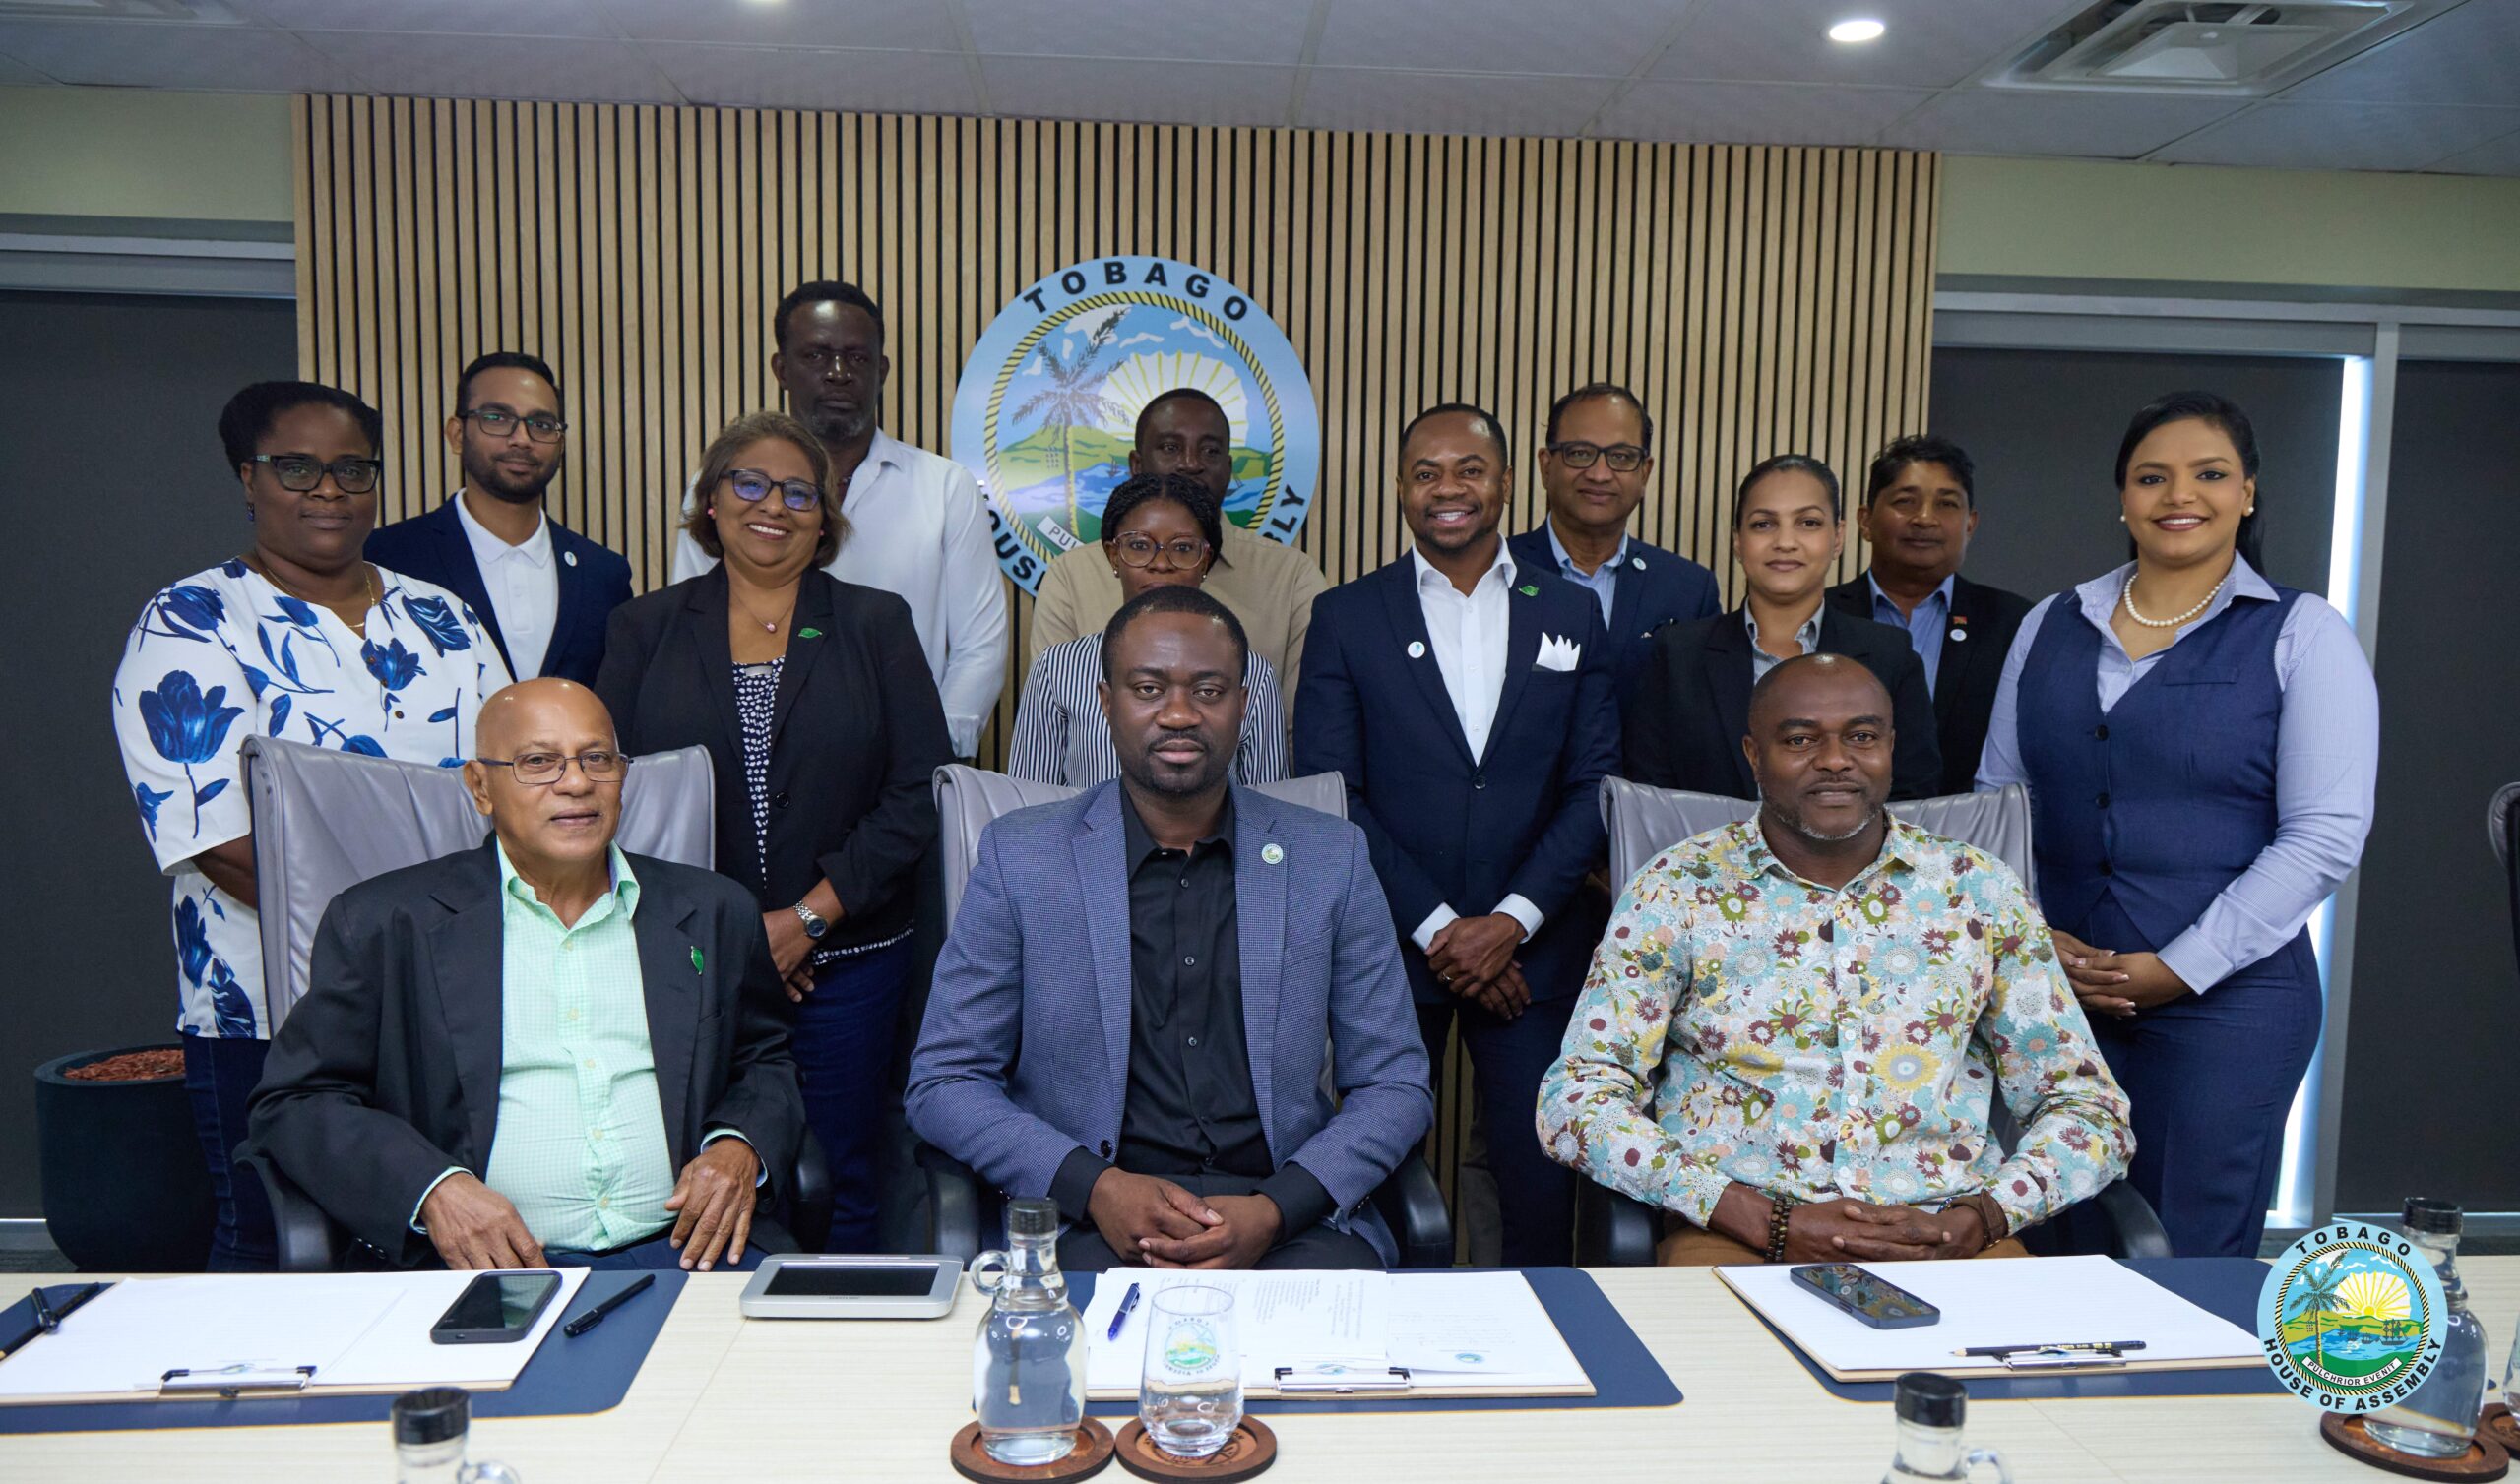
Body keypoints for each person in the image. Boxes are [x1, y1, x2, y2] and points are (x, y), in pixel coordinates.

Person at [1541, 653, 2135, 1265]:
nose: (1834, 759)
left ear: (1891, 747)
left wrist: (1982, 1216)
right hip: (1738, 1236)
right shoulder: (1676, 890)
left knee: (2030, 1356)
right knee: (1719, 1353)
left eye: (1862, 737)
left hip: (1946, 1238)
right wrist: (1756, 1216)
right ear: (1753, 755)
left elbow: (2089, 1109)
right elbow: (1577, 1099)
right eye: (1800, 739)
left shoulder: (1980, 890)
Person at [909, 587, 1433, 1271]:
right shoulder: (1022, 857)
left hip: (1288, 1226)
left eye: (1208, 690)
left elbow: (1395, 1081)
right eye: (1149, 687)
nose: (1179, 714)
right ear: (1106, 701)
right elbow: (945, 1080)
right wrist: (1094, 1188)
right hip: (1088, 1226)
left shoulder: (1331, 856)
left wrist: (1278, 1209)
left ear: (1244, 704)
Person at [111, 380, 508, 1271]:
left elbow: (507, 784)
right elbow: (214, 837)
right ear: (246, 479)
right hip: (270, 1010)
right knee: (274, 1244)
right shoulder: (190, 623)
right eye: (296, 468)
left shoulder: (442, 617)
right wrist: (392, 952)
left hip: (448, 1001)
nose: (328, 491)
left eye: (351, 469)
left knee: (428, 1247)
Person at [1977, 391, 2377, 1259]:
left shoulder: (2303, 634)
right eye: (2151, 477)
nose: (2177, 495)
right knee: (2046, 1241)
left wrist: (2178, 968)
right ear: (2122, 498)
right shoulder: (2051, 621)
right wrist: (2036, 940)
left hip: (2229, 1008)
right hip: (2057, 994)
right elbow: (1997, 806)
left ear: (2249, 494)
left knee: (2183, 1252)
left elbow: (2323, 836)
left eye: (2209, 474)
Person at [246, 679, 805, 1271]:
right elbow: (296, 1101)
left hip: (694, 1253)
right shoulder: (383, 924)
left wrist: (740, 1144)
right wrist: (432, 1188)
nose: (576, 783)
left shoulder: (712, 911)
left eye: (598, 758)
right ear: (480, 786)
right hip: (485, 1270)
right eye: (539, 762)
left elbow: (765, 1058)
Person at [600, 410, 954, 1254]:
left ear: (825, 519)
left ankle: (840, 1358)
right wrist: (737, 937)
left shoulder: (875, 624)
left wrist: (806, 921)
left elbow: (917, 793)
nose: (774, 505)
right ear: (712, 503)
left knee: (845, 1172)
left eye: (800, 492)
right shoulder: (644, 629)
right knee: (697, 1175)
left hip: (849, 958)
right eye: (749, 483)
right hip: (688, 963)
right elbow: (612, 794)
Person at [1292, 402, 1617, 1268]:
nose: (1449, 489)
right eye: (1426, 472)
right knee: (1375, 1171)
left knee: (1540, 1183)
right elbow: (1334, 794)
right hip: (1391, 952)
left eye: (1469, 469)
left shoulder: (1574, 612)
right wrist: (1444, 932)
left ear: (1507, 483)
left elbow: (1594, 787)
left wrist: (1509, 922)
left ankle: (1546, 1355)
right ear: (1400, 490)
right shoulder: (1347, 616)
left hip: (1535, 954)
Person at [668, 281, 1005, 760]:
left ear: (882, 370)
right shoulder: (727, 486)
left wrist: (931, 759)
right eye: (817, 357)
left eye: (857, 358)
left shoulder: (946, 487)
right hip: (744, 758)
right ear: (781, 369)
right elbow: (692, 626)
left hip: (900, 762)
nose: (839, 374)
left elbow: (979, 646)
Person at [1624, 454, 1940, 800]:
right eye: (1764, 524)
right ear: (1737, 541)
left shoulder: (1889, 655)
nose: (1785, 542)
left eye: (1808, 523)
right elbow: (1651, 798)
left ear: (1837, 537)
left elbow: (1913, 795)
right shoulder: (1678, 654)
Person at [1029, 387, 1330, 705]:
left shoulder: (1292, 577)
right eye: (1170, 447)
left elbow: (1302, 727)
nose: (1190, 463)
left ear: (1229, 470)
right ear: (1136, 464)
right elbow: (1051, 718)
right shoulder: (1071, 575)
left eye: (1210, 451)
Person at [365, 352, 634, 685]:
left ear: (560, 442)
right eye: (497, 418)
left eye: (541, 424)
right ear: (457, 434)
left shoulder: (605, 574)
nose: (522, 438)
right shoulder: (386, 558)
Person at [1008, 472, 1287, 787]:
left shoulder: (1254, 673)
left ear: (1205, 561)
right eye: (1139, 545)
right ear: (1114, 556)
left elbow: (1269, 812)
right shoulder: (1058, 668)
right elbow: (1028, 801)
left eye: (1182, 548)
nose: (1161, 563)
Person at [1826, 435, 2031, 796]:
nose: (1925, 518)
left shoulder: (2014, 624)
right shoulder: (1821, 615)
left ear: (1970, 524)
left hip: (1968, 838)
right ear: (1865, 520)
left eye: (1947, 504)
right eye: (1905, 501)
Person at [1505, 382, 1721, 708]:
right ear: (1546, 466)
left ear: (1645, 473)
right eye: (1580, 453)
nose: (1600, 474)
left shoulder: (1689, 590)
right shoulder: (1496, 570)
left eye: (1621, 456)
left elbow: (1697, 717)